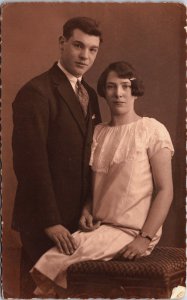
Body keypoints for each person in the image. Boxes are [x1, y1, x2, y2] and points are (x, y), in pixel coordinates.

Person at [30, 61, 174, 298]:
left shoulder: (152, 130)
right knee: (56, 261)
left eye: (126, 87)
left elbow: (165, 190)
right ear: (103, 92)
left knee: (52, 263)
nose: (118, 93)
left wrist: (143, 238)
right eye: (111, 87)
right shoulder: (97, 132)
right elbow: (96, 187)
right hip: (100, 228)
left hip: (133, 230)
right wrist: (87, 209)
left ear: (135, 90)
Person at [11, 16, 102, 297]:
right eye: (77, 45)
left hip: (79, 221)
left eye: (92, 49)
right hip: (45, 221)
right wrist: (50, 221)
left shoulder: (90, 93)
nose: (84, 56)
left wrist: (88, 205)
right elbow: (30, 163)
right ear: (62, 43)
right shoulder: (36, 92)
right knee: (39, 293)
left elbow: (91, 156)